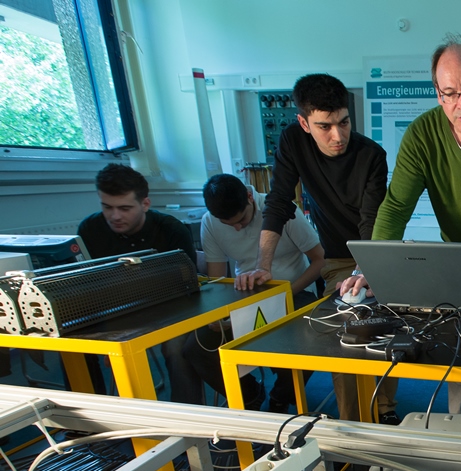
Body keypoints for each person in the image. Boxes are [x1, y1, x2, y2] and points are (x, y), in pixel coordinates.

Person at [342, 35, 461, 437]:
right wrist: (371, 267)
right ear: (437, 93)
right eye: (450, 94)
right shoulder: (422, 134)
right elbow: (397, 205)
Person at [235, 73, 399, 424]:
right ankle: (352, 425)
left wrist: (365, 270)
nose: (337, 136)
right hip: (336, 254)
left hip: (375, 250)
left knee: (384, 330)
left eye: (343, 123)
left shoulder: (372, 155)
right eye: (325, 126)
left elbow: (372, 221)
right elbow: (278, 202)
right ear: (304, 123)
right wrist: (263, 264)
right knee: (343, 336)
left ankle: (385, 411)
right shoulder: (292, 142)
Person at [182, 174, 325, 412]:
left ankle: (281, 397)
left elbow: (320, 260)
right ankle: (249, 394)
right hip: (245, 296)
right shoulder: (211, 221)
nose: (237, 228)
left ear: (250, 197)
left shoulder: (282, 210)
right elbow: (219, 280)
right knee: (197, 349)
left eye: (241, 220)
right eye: (229, 225)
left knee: (307, 337)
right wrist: (220, 315)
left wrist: (285, 293)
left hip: (294, 290)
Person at [78, 163, 204, 405]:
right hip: (115, 311)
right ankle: (86, 417)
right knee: (74, 349)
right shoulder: (89, 229)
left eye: (125, 208)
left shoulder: (170, 230)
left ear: (145, 203)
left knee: (177, 350)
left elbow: (187, 287)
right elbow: (87, 284)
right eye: (107, 207)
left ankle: (187, 419)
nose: (115, 216)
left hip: (171, 310)